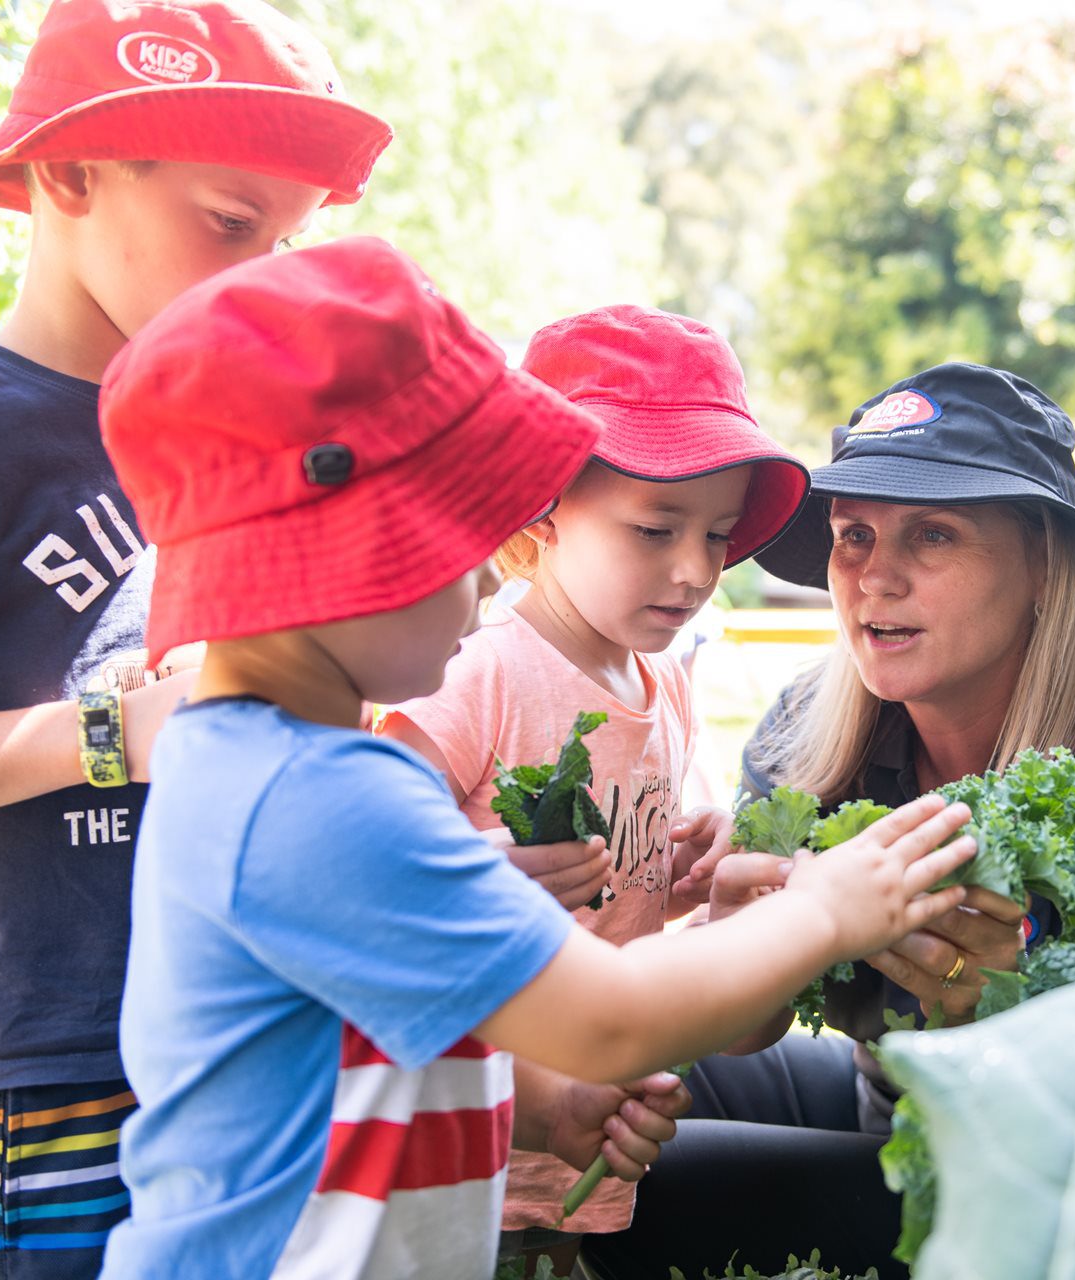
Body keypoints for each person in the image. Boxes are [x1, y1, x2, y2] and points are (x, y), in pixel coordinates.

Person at [90, 236, 979, 1280]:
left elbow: (353, 1063)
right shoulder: (321, 797)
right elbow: (612, 1015)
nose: (485, 574)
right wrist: (826, 906)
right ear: (349, 546)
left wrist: (539, 1108)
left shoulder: (248, 762)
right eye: (462, 531)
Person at [0, 2, 392, 1273]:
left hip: (232, 1020)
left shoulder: (244, 436)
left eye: (287, 238)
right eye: (230, 222)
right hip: (34, 1064)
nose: (261, 271)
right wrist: (110, 733)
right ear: (68, 171)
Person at [584, 362, 1075, 1280]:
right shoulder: (809, 735)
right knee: (600, 1093)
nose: (875, 578)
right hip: (893, 1106)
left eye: (935, 534)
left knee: (652, 1188)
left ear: (1044, 560)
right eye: (855, 537)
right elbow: (750, 1023)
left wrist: (996, 1006)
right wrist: (734, 942)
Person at [374, 304, 809, 1256]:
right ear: (539, 507)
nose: (697, 571)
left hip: (590, 1156)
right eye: (656, 529)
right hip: (458, 1157)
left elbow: (630, 931)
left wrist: (686, 889)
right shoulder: (476, 669)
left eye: (720, 536)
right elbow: (368, 873)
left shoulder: (661, 684)